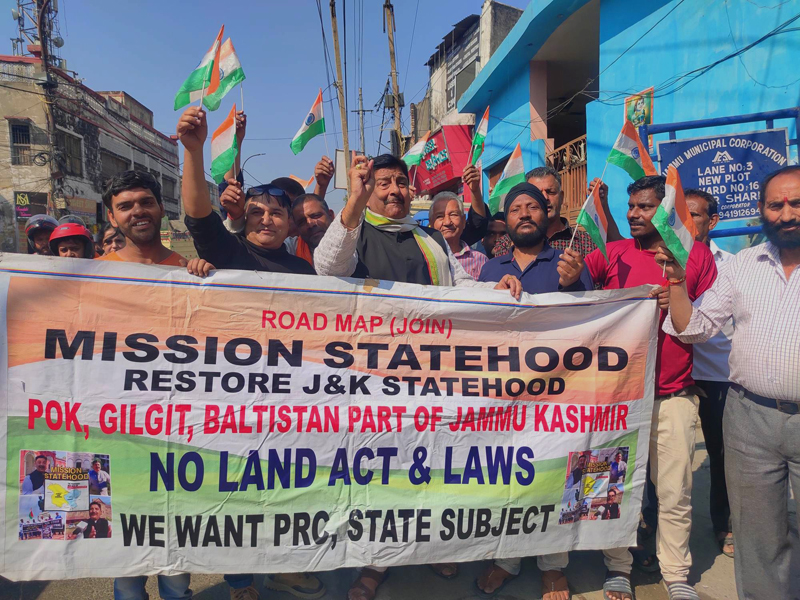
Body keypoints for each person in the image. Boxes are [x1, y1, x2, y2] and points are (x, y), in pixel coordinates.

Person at [313, 152, 520, 600]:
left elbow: (458, 285)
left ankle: (431, 546)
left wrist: (494, 288)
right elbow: (328, 270)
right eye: (382, 183)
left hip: (433, 379)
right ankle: (376, 562)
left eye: (400, 182)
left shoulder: (429, 238)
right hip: (375, 383)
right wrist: (354, 198)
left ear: (412, 189)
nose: (393, 191)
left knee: (433, 465)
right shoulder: (354, 231)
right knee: (382, 473)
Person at [178, 106, 323, 600]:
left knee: (286, 496)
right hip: (233, 405)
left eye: (276, 213)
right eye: (257, 212)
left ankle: (283, 568)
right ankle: (241, 580)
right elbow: (198, 212)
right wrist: (194, 152)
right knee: (237, 495)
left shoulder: (306, 276)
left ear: (291, 224)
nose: (266, 219)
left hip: (290, 407)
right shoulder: (230, 257)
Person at [660, 165, 800, 600]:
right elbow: (695, 326)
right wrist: (679, 283)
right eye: (775, 205)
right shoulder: (743, 265)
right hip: (748, 417)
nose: (786, 213)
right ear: (761, 211)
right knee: (759, 540)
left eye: (796, 203)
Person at [584, 175, 717, 600]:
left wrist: (678, 297)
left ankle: (676, 575)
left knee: (676, 491)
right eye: (631, 206)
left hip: (672, 396)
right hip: (613, 399)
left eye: (643, 207)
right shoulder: (613, 253)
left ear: (666, 210)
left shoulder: (696, 258)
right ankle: (617, 567)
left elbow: (708, 324)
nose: (632, 214)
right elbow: (566, 290)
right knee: (608, 489)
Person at [475, 183, 600, 600]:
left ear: (546, 215)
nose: (525, 214)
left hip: (558, 398)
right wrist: (486, 294)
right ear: (505, 221)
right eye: (515, 209)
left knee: (556, 476)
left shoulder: (567, 261)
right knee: (508, 478)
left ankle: (553, 566)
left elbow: (593, 328)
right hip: (504, 399)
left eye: (533, 207)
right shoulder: (491, 269)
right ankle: (508, 558)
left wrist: (571, 285)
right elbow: (473, 327)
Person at [685, 188, 735, 558]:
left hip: (718, 376)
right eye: (680, 214)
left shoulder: (732, 266)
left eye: (695, 215)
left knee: (722, 456)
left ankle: (725, 524)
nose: (687, 222)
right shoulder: (660, 260)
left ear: (712, 221)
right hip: (673, 377)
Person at [492, 166, 622, 257]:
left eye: (550, 192)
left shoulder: (585, 243)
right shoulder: (507, 243)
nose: (545, 198)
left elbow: (618, 250)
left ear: (562, 197)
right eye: (538, 194)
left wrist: (603, 206)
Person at [99, 171, 186, 267]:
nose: (138, 212)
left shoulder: (188, 273)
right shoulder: (94, 275)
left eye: (147, 203)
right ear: (112, 217)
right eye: (125, 207)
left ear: (161, 209)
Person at [429, 190, 488, 279]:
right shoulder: (423, 258)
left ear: (464, 221)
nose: (447, 222)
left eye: (453, 215)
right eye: (440, 216)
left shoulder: (480, 260)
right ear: (431, 222)